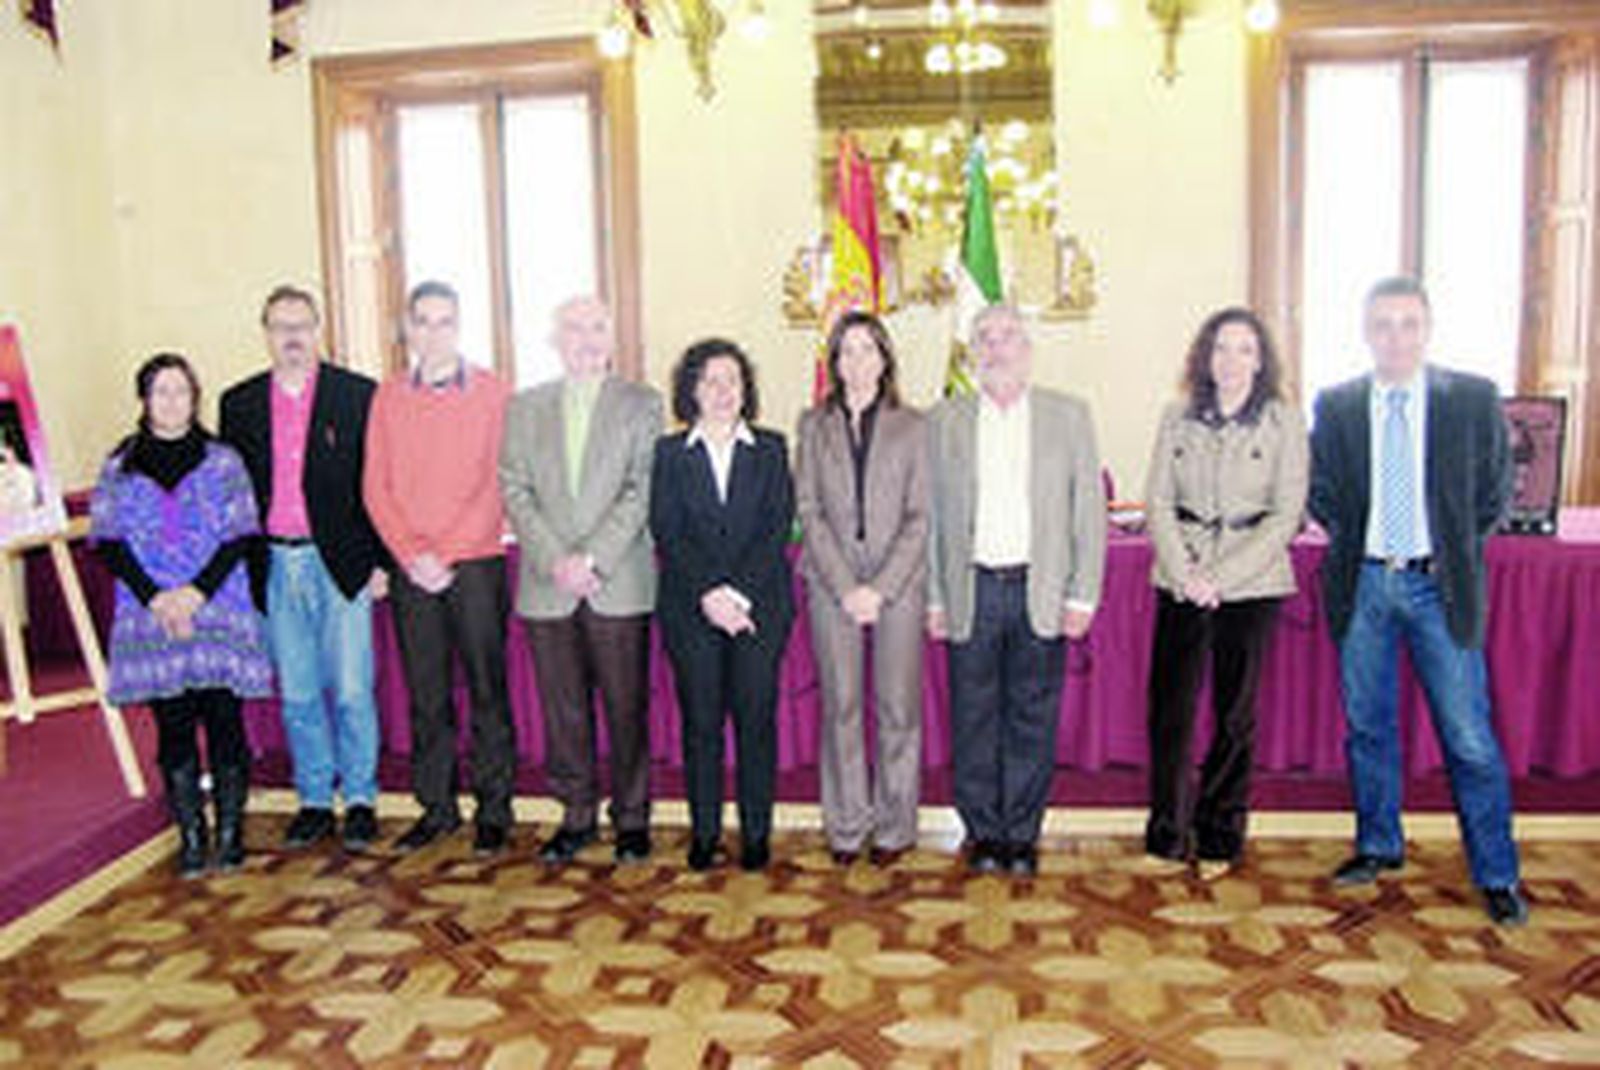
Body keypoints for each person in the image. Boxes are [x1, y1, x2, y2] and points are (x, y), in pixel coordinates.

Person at [1309, 275, 1528, 926]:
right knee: (1368, 727)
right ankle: (1379, 844)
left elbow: (1493, 492)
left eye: (1407, 324)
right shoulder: (1339, 403)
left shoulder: (1473, 398)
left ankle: (1496, 873)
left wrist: (1452, 548)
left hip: (1441, 586)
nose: (1395, 337)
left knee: (1469, 737)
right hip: (1367, 582)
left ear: (1427, 329)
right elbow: (1321, 490)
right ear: (1364, 332)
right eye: (1382, 324)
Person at [926, 304, 1106, 877]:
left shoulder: (1068, 415)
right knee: (973, 716)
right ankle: (983, 833)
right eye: (985, 339)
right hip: (971, 590)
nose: (996, 348)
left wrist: (1083, 595)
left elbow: (1088, 511)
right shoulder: (945, 420)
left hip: (1041, 590)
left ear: (1027, 349)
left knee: (1032, 716)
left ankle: (1022, 835)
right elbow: (932, 516)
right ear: (971, 353)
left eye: (1007, 338)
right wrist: (935, 596)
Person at [90, 354, 274, 877]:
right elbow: (108, 542)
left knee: (223, 719)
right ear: (144, 400)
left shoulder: (224, 461)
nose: (172, 401)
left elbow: (241, 533)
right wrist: (157, 597)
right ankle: (191, 837)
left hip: (216, 607)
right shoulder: (118, 465)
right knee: (172, 725)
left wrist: (195, 594)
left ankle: (231, 834)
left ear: (195, 398)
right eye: (161, 392)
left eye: (181, 392)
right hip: (148, 614)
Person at [220, 285, 387, 853]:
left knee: (350, 687)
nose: (292, 337)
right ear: (265, 333)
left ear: (319, 330)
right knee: (296, 691)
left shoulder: (357, 395)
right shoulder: (238, 403)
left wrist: (381, 561)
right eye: (280, 327)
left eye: (302, 325)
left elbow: (379, 484)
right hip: (274, 564)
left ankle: (361, 798)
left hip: (340, 563)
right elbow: (233, 496)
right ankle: (315, 798)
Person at [1142, 307, 1307, 877]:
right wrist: (1187, 571)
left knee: (1234, 714)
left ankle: (1219, 834)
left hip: (1251, 584)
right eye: (1220, 348)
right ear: (1204, 357)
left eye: (1244, 349)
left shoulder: (1284, 421)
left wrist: (1222, 579)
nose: (1231, 360)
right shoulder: (1177, 417)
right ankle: (1166, 833)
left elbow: (1287, 515)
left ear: (1261, 361)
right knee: (1171, 711)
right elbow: (1157, 500)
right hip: (1180, 578)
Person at [500, 296, 663, 866]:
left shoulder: (642, 404)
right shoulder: (524, 407)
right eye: (574, 328)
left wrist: (591, 559)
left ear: (612, 338)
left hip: (616, 580)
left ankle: (633, 819)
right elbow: (514, 489)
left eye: (598, 327)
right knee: (563, 711)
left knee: (625, 708)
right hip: (548, 585)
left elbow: (641, 489)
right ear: (554, 337)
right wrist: (557, 561)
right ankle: (575, 815)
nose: (587, 339)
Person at [363, 280, 516, 856]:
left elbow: (496, 482)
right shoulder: (387, 398)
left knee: (486, 691)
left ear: (460, 326)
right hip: (411, 568)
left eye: (444, 321)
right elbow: (374, 486)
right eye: (422, 321)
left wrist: (445, 552)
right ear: (407, 329)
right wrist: (410, 555)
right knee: (426, 694)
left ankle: (494, 809)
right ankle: (437, 807)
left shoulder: (496, 393)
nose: (432, 332)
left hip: (474, 564)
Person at [650, 339, 795, 872]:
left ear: (746, 389)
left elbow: (776, 528)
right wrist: (710, 593)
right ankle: (705, 832)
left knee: (756, 720)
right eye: (709, 381)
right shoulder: (669, 453)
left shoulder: (773, 448)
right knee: (701, 722)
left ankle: (756, 834)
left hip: (760, 609)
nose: (721, 391)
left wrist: (737, 595)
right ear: (691, 390)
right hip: (692, 609)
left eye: (732, 380)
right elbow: (668, 529)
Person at [796, 311, 928, 867]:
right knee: (842, 707)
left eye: (867, 349)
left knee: (898, 709)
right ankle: (848, 825)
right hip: (833, 586)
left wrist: (881, 587)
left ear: (885, 358)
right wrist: (848, 586)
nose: (857, 361)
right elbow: (809, 510)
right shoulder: (812, 424)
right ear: (834, 362)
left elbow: (921, 517)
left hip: (897, 587)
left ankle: (895, 827)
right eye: (846, 351)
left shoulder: (915, 425)